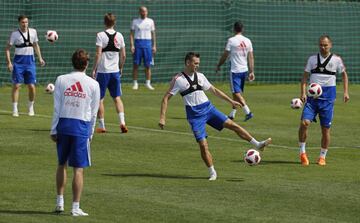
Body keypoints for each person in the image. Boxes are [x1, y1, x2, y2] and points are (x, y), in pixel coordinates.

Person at [159, 52, 271, 181]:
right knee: (203, 145)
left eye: (198, 63)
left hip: (208, 108)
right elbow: (166, 99)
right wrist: (162, 117)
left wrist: (231, 101)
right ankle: (212, 172)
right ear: (188, 63)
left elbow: (215, 91)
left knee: (234, 126)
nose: (197, 66)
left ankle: (257, 144)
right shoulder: (178, 79)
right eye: (195, 63)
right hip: (195, 116)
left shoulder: (200, 76)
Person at [50, 49, 100, 216]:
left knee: (61, 164)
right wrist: (91, 132)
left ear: (72, 62)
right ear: (86, 64)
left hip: (63, 124)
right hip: (81, 127)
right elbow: (94, 112)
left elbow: (56, 107)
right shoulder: (93, 84)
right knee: (78, 169)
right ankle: (75, 207)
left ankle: (59, 202)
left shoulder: (61, 79)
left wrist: (53, 128)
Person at [298, 35, 349, 166]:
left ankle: (322, 156)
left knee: (325, 129)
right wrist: (303, 93)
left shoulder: (337, 60)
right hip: (312, 99)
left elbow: (344, 75)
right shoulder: (312, 59)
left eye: (325, 45)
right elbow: (304, 77)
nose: (323, 47)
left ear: (330, 45)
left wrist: (346, 92)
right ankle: (302, 153)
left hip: (328, 99)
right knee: (304, 123)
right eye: (321, 44)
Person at [91, 13, 128, 133]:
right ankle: (122, 122)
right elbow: (124, 55)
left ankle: (102, 125)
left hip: (102, 72)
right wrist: (120, 67)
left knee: (99, 99)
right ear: (114, 22)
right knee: (117, 97)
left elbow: (98, 54)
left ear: (104, 22)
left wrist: (94, 69)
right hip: (115, 72)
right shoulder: (120, 36)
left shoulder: (100, 35)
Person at [5, 15, 45, 117]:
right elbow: (7, 49)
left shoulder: (33, 32)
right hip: (18, 63)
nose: (25, 24)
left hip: (30, 63)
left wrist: (40, 58)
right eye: (23, 22)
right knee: (17, 85)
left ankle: (31, 107)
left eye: (26, 22)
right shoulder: (14, 34)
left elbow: (36, 45)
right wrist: (9, 62)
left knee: (31, 86)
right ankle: (15, 109)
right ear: (19, 23)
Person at [216, 21, 254, 121]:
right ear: (243, 29)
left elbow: (225, 54)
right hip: (244, 70)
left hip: (235, 71)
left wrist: (219, 64)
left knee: (236, 93)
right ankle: (232, 114)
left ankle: (248, 112)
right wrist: (251, 71)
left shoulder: (231, 40)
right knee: (236, 93)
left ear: (234, 29)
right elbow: (251, 57)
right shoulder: (248, 41)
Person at [130, 6, 156, 90]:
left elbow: (153, 34)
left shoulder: (151, 21)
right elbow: (131, 34)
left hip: (148, 44)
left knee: (148, 65)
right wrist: (132, 45)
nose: (144, 13)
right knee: (136, 65)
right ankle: (135, 83)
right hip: (138, 43)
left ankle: (148, 83)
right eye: (142, 11)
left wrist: (154, 45)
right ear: (140, 12)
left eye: (145, 11)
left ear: (147, 12)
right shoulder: (135, 21)